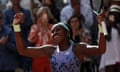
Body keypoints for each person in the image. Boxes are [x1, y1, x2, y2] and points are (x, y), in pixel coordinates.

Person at [12, 13, 106, 72]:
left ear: (67, 33)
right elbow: (22, 50)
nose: (54, 33)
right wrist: (16, 27)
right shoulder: (50, 50)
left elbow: (101, 49)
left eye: (58, 30)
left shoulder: (78, 48)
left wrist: (101, 26)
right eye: (52, 31)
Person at [28, 6, 54, 72]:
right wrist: (39, 28)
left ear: (49, 16)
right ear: (39, 17)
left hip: (50, 57)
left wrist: (45, 29)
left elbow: (54, 42)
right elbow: (31, 40)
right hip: (38, 57)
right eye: (41, 15)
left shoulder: (53, 27)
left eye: (45, 14)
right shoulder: (34, 27)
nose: (44, 17)